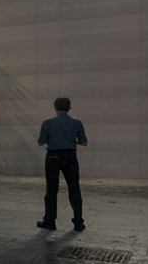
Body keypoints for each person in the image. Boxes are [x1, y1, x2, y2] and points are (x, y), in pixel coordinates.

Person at [37, 97, 87, 232]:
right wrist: (71, 141)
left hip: (52, 157)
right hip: (70, 157)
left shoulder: (47, 123)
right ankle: (78, 222)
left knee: (51, 190)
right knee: (74, 189)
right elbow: (84, 142)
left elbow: (41, 142)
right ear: (69, 108)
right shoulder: (77, 123)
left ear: (55, 108)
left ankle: (50, 222)